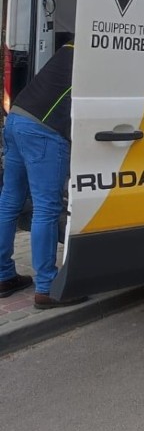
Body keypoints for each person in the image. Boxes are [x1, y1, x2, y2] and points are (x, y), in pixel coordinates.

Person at [0, 41, 80, 310]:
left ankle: (3, 276)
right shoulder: (93, 59)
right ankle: (47, 287)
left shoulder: (68, 49)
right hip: (42, 131)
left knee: (9, 203)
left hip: (16, 120)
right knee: (46, 208)